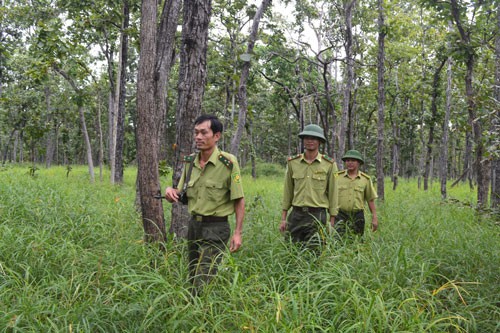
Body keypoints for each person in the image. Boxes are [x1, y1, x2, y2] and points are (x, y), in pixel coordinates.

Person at [164, 114, 245, 293]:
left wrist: (238, 233)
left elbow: (239, 199)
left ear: (216, 136)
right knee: (193, 274)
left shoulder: (228, 163)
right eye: (196, 133)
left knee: (204, 278)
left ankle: (201, 313)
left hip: (216, 227)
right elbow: (179, 192)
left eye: (203, 133)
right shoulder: (190, 162)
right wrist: (170, 191)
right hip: (194, 226)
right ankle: (197, 310)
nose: (198, 137)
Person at [280, 124, 338, 249]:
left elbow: (333, 193)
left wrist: (332, 221)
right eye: (307, 138)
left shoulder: (329, 164)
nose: (310, 141)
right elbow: (288, 191)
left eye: (314, 138)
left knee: (315, 252)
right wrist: (283, 218)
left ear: (319, 142)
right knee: (291, 250)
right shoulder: (293, 163)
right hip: (296, 214)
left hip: (317, 215)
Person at [334, 150, 378, 238]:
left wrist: (374, 217)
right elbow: (330, 195)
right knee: (338, 240)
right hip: (340, 215)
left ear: (359, 163)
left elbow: (370, 199)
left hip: (358, 215)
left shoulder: (365, 179)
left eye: (353, 161)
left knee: (357, 241)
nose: (350, 163)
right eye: (347, 160)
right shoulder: (337, 177)